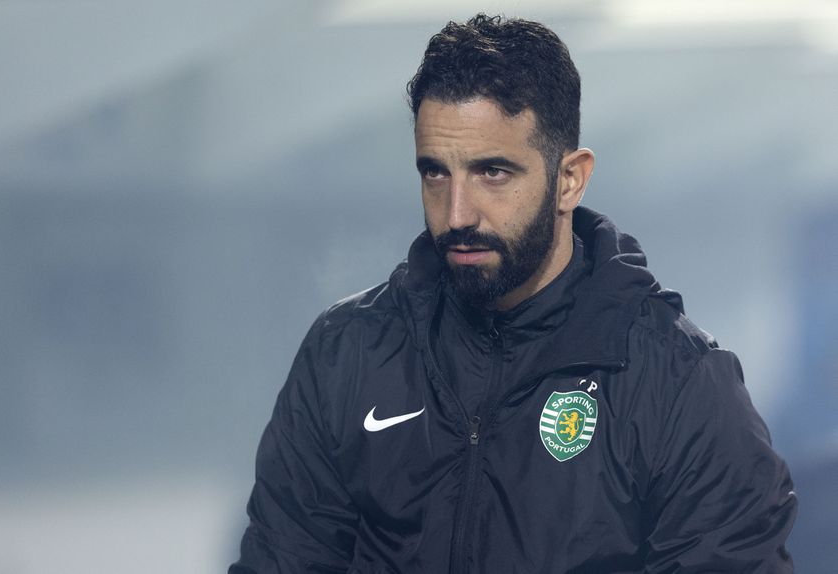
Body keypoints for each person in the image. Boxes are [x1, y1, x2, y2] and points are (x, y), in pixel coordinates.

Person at [230, 14, 796, 573]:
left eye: (492, 173)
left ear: (569, 179)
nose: (457, 214)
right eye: (435, 173)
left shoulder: (676, 382)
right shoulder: (347, 352)